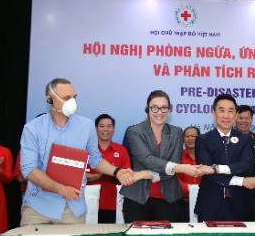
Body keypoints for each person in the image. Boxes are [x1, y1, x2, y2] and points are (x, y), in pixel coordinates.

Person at [19, 78, 135, 225]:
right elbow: (29, 169)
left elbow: (96, 160)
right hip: (38, 209)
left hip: (73, 209)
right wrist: (61, 189)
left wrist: (117, 171)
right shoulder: (32, 128)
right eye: (66, 97)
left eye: (74, 97)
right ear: (49, 99)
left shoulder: (86, 126)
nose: (72, 102)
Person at [121, 90, 202, 222]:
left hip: (169, 198)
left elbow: (173, 164)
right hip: (137, 198)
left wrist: (142, 174)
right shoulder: (134, 131)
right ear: (148, 109)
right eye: (154, 107)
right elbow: (147, 159)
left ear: (169, 110)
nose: (159, 112)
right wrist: (180, 167)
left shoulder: (176, 132)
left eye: (164, 107)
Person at [195, 94, 255, 221]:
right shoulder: (202, 140)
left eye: (230, 111)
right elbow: (206, 171)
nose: (226, 116)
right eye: (221, 110)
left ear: (236, 115)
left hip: (240, 203)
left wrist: (216, 168)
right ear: (214, 113)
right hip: (210, 203)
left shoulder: (246, 139)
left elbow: (246, 165)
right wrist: (241, 181)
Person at [86, 114, 131, 223]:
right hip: (88, 204)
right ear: (96, 129)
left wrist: (112, 172)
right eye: (101, 126)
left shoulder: (121, 150)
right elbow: (78, 176)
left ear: (113, 129)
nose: (105, 129)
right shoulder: (86, 149)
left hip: (113, 205)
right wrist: (97, 175)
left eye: (109, 126)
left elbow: (127, 176)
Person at [236, 105, 255, 221]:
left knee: (253, 227)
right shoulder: (227, 138)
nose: (243, 121)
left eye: (247, 118)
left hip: (254, 193)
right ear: (235, 118)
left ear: (251, 120)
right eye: (241, 118)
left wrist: (253, 157)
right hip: (233, 191)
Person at [177, 126, 202, 221]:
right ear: (183, 139)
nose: (190, 139)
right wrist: (191, 189)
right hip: (183, 202)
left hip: (204, 201)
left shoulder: (207, 156)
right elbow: (174, 179)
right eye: (187, 136)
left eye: (193, 136)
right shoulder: (177, 156)